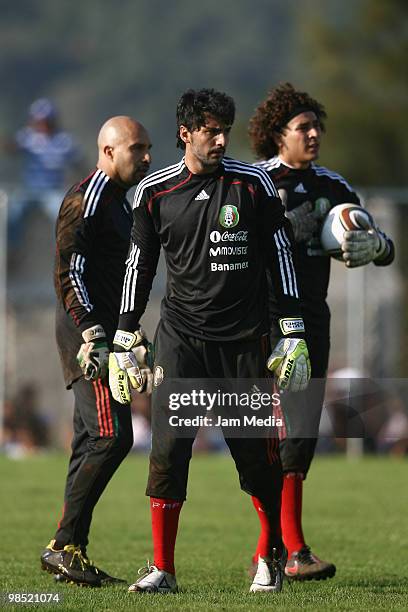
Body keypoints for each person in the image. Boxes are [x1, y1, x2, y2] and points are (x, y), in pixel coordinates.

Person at [108, 88, 311, 595]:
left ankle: (270, 554)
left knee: (256, 459)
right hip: (182, 340)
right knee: (169, 451)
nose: (221, 140)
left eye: (226, 130)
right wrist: (125, 333)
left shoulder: (254, 183)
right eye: (211, 131)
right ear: (185, 135)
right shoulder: (154, 192)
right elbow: (140, 266)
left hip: (245, 340)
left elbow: (281, 256)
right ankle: (162, 568)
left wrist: (291, 330)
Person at [248, 82, 394, 581]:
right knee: (280, 435)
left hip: (314, 320)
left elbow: (382, 242)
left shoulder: (334, 187)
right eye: (302, 127)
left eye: (316, 126)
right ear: (277, 135)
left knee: (301, 438)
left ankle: (274, 551)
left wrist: (377, 245)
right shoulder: (254, 183)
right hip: (265, 322)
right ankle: (292, 550)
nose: (314, 134)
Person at [40, 116, 152, 587]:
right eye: (137, 149)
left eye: (148, 148)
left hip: (107, 335)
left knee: (90, 439)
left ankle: (71, 551)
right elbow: (69, 271)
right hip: (91, 340)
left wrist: (133, 332)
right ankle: (62, 545)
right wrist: (93, 333)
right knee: (112, 437)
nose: (146, 156)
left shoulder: (120, 202)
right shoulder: (86, 200)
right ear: (108, 151)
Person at [6, 98, 83, 246]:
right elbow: (12, 148)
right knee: (13, 213)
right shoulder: (28, 136)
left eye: (46, 120)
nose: (42, 124)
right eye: (39, 120)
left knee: (63, 215)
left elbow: (78, 162)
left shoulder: (64, 140)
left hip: (53, 191)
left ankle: (65, 251)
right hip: (29, 191)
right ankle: (12, 249)